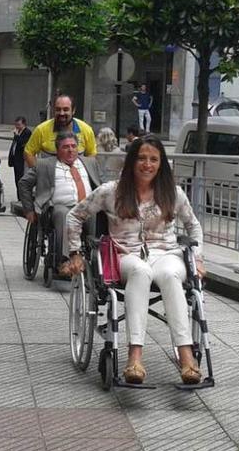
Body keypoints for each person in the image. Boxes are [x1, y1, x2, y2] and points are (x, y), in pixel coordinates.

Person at [64, 134, 205, 386]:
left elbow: (194, 227)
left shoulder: (173, 193)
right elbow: (75, 216)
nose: (147, 164)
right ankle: (134, 357)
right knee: (140, 271)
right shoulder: (111, 191)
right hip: (124, 254)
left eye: (153, 159)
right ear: (131, 161)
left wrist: (198, 258)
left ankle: (186, 358)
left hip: (166, 253)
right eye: (141, 158)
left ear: (161, 163)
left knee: (171, 275)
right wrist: (74, 252)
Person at [19, 132, 103, 273]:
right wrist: (29, 209)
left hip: (87, 207)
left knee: (98, 214)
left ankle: (94, 258)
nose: (71, 150)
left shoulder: (90, 163)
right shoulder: (44, 165)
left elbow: (103, 184)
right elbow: (24, 184)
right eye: (65, 147)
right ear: (57, 150)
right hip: (59, 208)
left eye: (73, 146)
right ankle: (65, 261)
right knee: (63, 214)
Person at [23, 94, 97, 167]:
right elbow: (28, 152)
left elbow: (91, 154)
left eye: (65, 109)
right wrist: (38, 173)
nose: (61, 113)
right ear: (53, 111)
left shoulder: (86, 130)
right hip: (49, 177)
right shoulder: (41, 130)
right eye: (58, 109)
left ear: (73, 110)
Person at [8, 117, 32, 200]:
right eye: (16, 125)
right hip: (15, 159)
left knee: (21, 179)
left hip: (21, 160)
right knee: (17, 179)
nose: (17, 126)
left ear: (24, 124)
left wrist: (17, 136)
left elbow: (23, 144)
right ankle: (19, 197)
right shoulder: (18, 132)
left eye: (19, 125)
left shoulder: (27, 132)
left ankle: (22, 198)